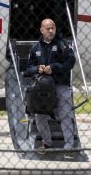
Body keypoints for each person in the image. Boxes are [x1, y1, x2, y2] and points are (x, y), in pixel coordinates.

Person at [25, 18, 77, 160]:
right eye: (47, 28)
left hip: (60, 84)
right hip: (42, 88)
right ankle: (47, 142)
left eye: (53, 27)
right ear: (41, 30)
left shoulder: (63, 45)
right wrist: (38, 68)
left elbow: (70, 63)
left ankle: (69, 147)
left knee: (65, 114)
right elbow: (28, 68)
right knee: (39, 116)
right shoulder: (35, 48)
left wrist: (53, 68)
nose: (51, 30)